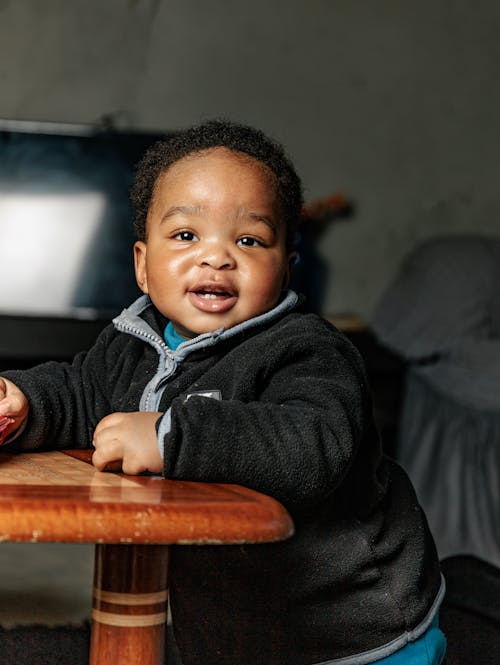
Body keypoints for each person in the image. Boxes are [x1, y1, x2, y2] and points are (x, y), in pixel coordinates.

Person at [0, 120, 445, 665]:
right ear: (142, 265)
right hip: (232, 625)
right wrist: (22, 403)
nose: (217, 257)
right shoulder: (129, 344)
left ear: (286, 268)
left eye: (249, 240)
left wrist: (171, 436)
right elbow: (77, 391)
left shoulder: (307, 351)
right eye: (187, 235)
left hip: (354, 632)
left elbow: (312, 445)